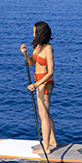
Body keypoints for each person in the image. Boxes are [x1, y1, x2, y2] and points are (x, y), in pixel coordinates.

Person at [21, 21, 56, 155]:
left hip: (45, 82)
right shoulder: (37, 47)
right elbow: (31, 63)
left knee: (43, 115)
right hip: (38, 82)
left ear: (40, 32)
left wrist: (37, 84)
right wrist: (25, 53)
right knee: (45, 113)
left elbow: (51, 72)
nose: (33, 34)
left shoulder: (48, 49)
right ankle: (53, 141)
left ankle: (46, 148)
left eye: (34, 31)